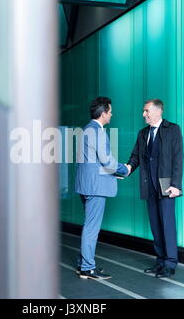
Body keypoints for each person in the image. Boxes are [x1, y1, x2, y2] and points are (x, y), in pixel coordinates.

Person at [126, 99, 183, 278]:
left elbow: (178, 158)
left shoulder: (172, 129)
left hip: (167, 184)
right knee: (155, 225)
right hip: (148, 184)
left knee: (167, 223)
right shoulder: (143, 133)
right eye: (144, 111)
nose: (144, 114)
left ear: (158, 111)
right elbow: (136, 157)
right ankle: (160, 261)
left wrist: (176, 185)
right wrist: (127, 168)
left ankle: (170, 263)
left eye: (146, 111)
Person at [75, 96, 129, 280]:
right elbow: (106, 160)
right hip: (95, 187)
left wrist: (113, 172)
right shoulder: (97, 132)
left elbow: (92, 162)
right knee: (91, 228)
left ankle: (83, 264)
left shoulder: (85, 129)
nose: (112, 115)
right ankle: (88, 268)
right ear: (104, 113)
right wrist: (124, 169)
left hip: (85, 184)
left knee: (88, 225)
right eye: (110, 112)